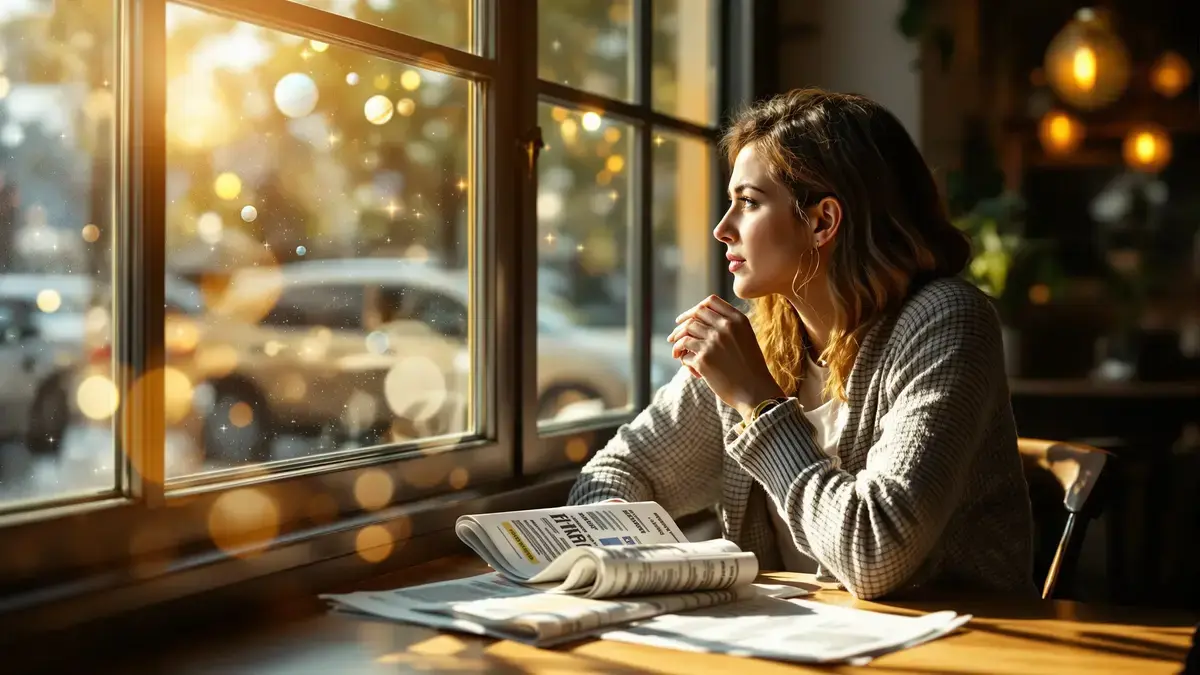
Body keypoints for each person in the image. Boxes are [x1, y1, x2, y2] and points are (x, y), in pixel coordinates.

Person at [567, 88, 1036, 600]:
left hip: (962, 645)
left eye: (748, 202)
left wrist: (758, 404)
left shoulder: (946, 321)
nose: (723, 229)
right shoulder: (762, 338)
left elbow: (876, 553)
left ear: (822, 221)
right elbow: (614, 474)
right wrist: (634, 569)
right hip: (800, 644)